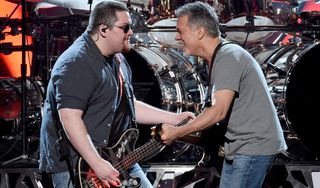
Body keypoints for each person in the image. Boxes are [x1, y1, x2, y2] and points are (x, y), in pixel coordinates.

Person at [39, 1, 194, 188]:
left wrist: (175, 118)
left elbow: (129, 105)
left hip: (118, 157)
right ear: (103, 29)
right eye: (125, 28)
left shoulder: (117, 58)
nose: (131, 33)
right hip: (80, 167)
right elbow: (69, 117)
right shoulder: (76, 62)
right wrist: (96, 163)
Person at [160, 2, 287, 188]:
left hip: (252, 147)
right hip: (241, 147)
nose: (177, 37)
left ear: (199, 32)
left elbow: (218, 112)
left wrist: (176, 132)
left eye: (180, 31)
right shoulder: (218, 56)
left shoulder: (228, 56)